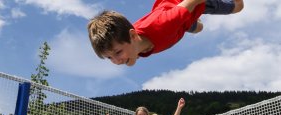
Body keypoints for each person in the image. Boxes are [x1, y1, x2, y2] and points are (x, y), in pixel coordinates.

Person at [87, 0, 244, 66]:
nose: (116, 61)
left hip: (189, 4)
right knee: (198, 28)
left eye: (117, 53)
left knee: (238, 7)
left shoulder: (164, 23)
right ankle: (189, 20)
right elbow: (129, 59)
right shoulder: (132, 46)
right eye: (109, 58)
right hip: (177, 21)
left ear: (133, 36)